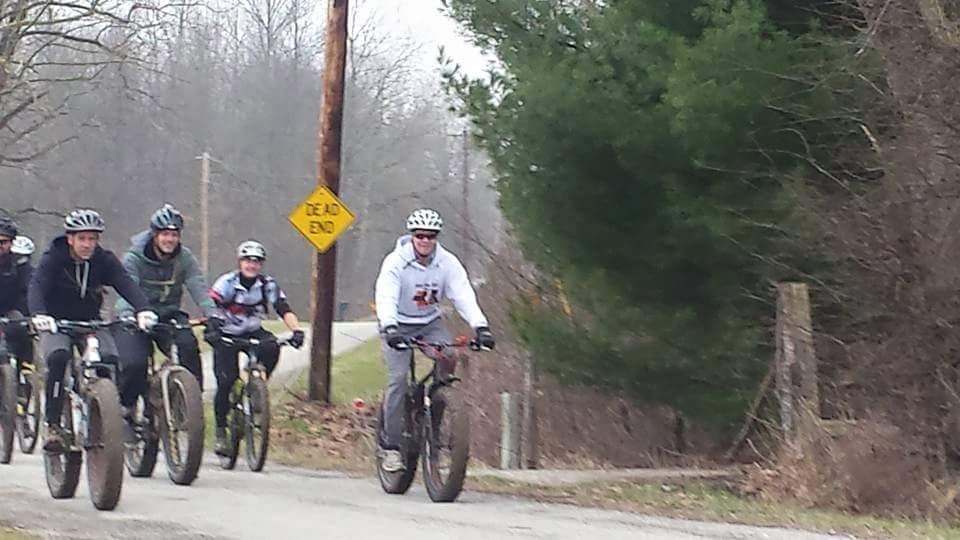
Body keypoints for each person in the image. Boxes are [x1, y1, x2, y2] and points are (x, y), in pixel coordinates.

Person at [373, 208, 495, 472]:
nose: (425, 241)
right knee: (398, 379)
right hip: (397, 323)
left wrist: (481, 326)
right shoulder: (396, 262)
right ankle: (391, 446)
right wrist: (391, 327)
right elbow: (386, 297)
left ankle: (437, 408)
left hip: (429, 323)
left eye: (431, 236)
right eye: (420, 236)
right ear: (412, 236)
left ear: (436, 237)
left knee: (449, 355)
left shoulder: (447, 262)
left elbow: (463, 295)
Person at [28, 209, 158, 452]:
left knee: (109, 359)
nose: (88, 244)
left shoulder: (103, 260)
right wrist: (39, 314)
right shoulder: (53, 258)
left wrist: (143, 308)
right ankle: (53, 424)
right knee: (58, 357)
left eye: (92, 238)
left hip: (90, 321)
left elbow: (125, 282)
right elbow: (37, 286)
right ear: (70, 238)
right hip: (56, 322)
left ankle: (105, 414)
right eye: (82, 238)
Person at [112, 204, 217, 439]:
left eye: (174, 234)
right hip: (135, 314)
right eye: (165, 234)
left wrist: (212, 312)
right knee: (134, 364)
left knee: (188, 347)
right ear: (154, 235)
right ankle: (127, 409)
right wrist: (128, 314)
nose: (170, 239)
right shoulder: (134, 257)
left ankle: (189, 403)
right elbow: (126, 288)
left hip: (168, 314)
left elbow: (197, 285)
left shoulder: (184, 258)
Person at [203, 240, 305, 455]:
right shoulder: (227, 282)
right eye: (248, 260)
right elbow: (211, 304)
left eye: (257, 261)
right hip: (227, 333)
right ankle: (221, 431)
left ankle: (257, 388)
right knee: (226, 381)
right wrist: (212, 326)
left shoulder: (267, 284)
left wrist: (296, 330)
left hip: (253, 331)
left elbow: (282, 308)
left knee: (272, 346)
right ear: (240, 262)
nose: (252, 265)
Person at [0, 219, 34, 375]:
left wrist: (26, 312)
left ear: (12, 243)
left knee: (22, 329)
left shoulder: (20, 264)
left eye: (4, 241)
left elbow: (30, 289)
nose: (0, 245)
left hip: (10, 312)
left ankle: (23, 375)